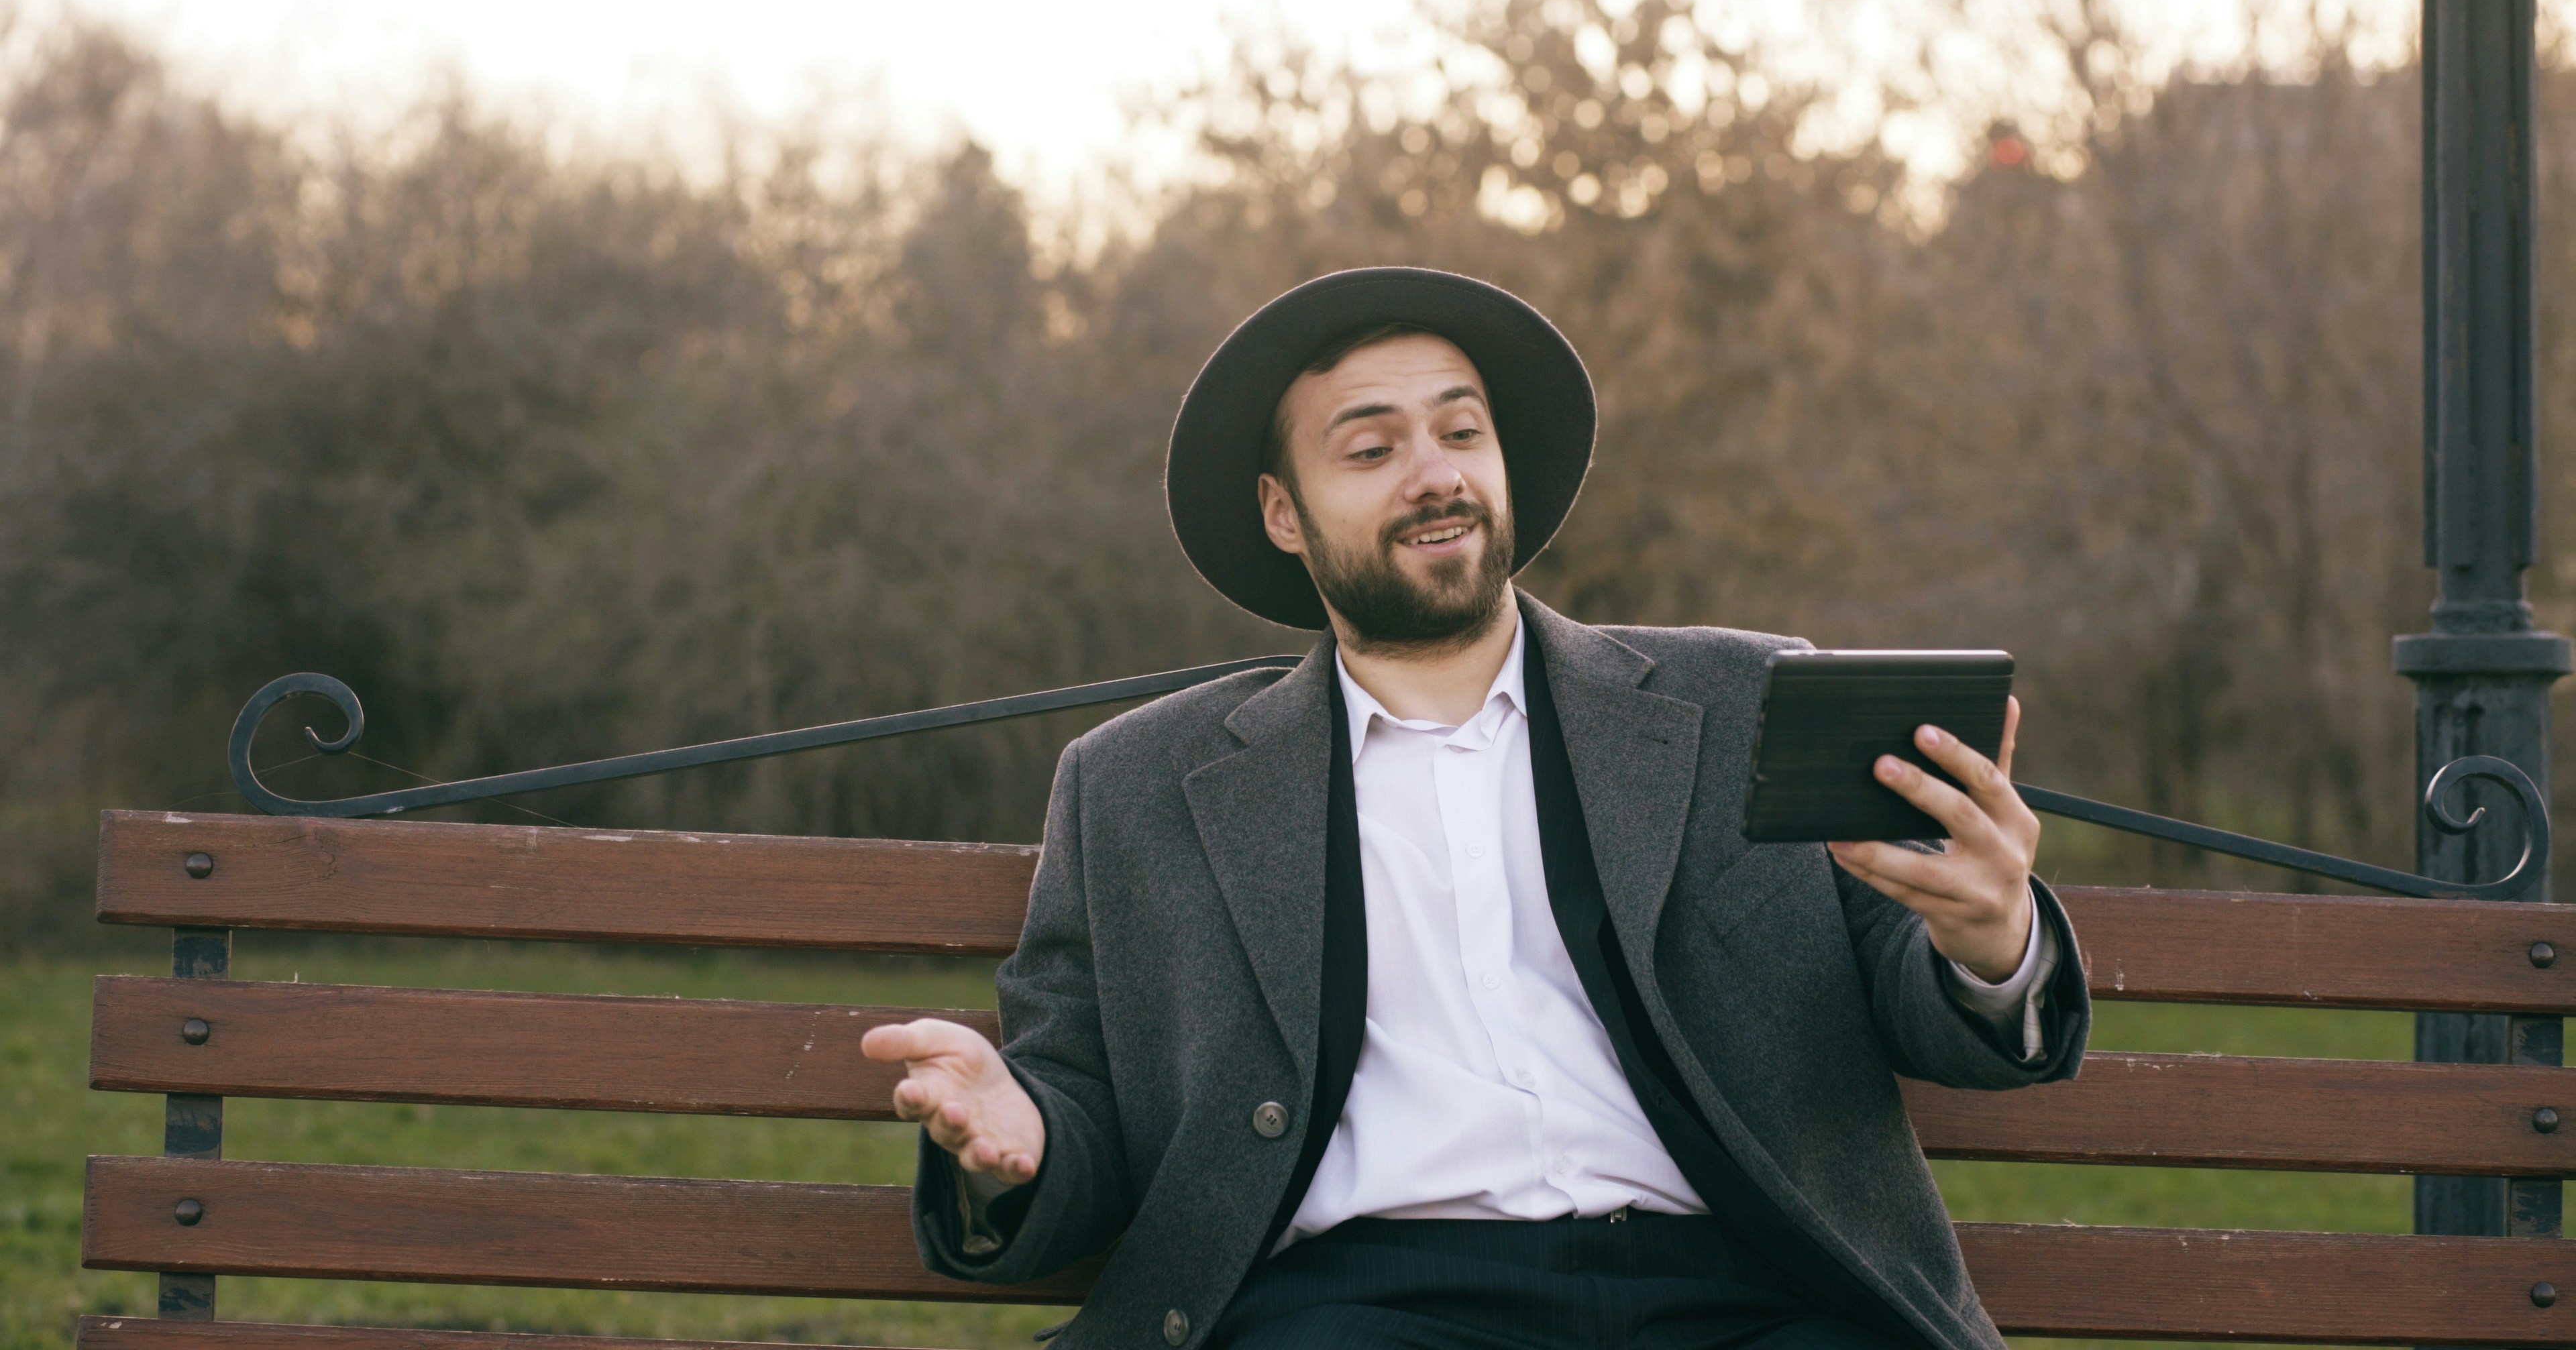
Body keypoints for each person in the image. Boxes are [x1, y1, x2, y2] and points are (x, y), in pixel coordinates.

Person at [861, 268, 2087, 1350]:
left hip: (1748, 1296)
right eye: (1370, 448)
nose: (1436, 473)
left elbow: (1917, 990)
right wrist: (1015, 1133)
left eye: (1462, 430)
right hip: (1361, 1307)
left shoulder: (1742, 701)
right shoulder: (1135, 786)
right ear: (1284, 513)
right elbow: (1072, 1108)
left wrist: (1989, 947)